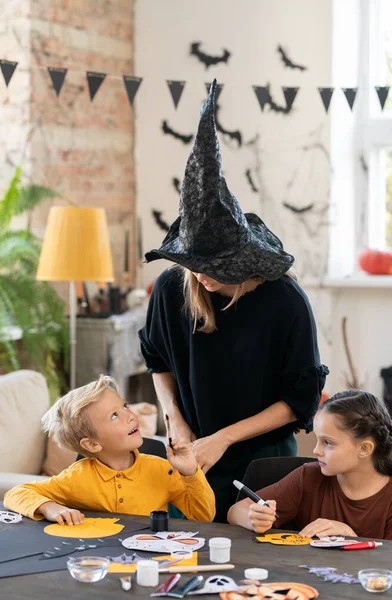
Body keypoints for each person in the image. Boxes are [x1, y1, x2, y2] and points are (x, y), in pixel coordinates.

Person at [139, 80, 328, 523]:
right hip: (190, 456)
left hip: (260, 458)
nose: (201, 275)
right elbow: (156, 360)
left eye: (213, 266)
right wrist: (176, 421)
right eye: (192, 263)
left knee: (259, 559)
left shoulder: (285, 301)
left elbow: (299, 400)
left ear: (242, 262)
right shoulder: (170, 290)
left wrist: (223, 437)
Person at [4, 375, 215, 524]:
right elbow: (16, 493)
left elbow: (203, 517)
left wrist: (190, 473)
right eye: (114, 416)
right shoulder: (77, 477)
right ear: (92, 445)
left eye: (124, 406)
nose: (130, 415)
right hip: (98, 559)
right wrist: (50, 507)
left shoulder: (162, 470)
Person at [227, 390, 392, 539]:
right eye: (317, 440)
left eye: (327, 442)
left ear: (364, 448)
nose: (316, 450)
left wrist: (350, 538)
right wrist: (253, 518)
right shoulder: (308, 477)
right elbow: (235, 511)